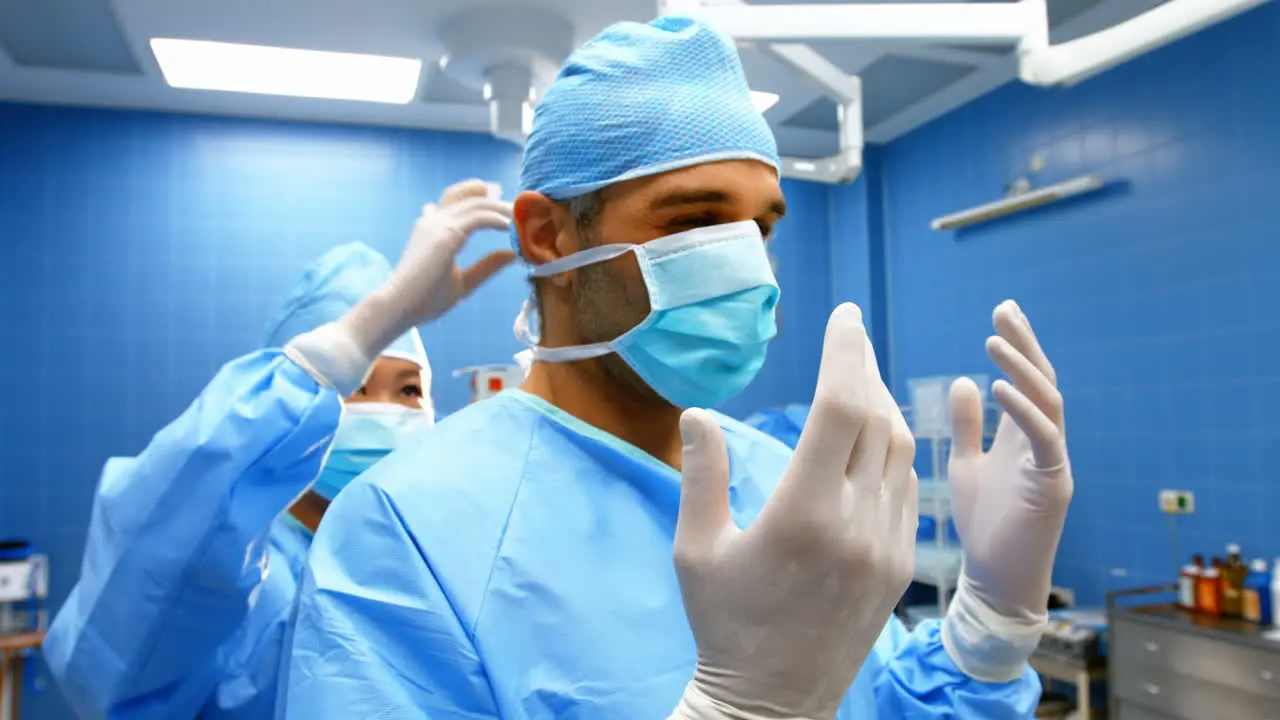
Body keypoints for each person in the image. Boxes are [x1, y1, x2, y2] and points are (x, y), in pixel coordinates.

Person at [284, 15, 1075, 720]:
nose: (750, 272)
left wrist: (989, 628)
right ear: (549, 235)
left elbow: (887, 698)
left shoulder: (782, 482)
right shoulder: (407, 529)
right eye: (696, 222)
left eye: (760, 230)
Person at [42, 180, 514, 720]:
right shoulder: (241, 583)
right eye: (354, 382)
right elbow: (126, 637)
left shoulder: (437, 563)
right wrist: (356, 334)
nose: (386, 410)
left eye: (409, 389)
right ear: (300, 401)